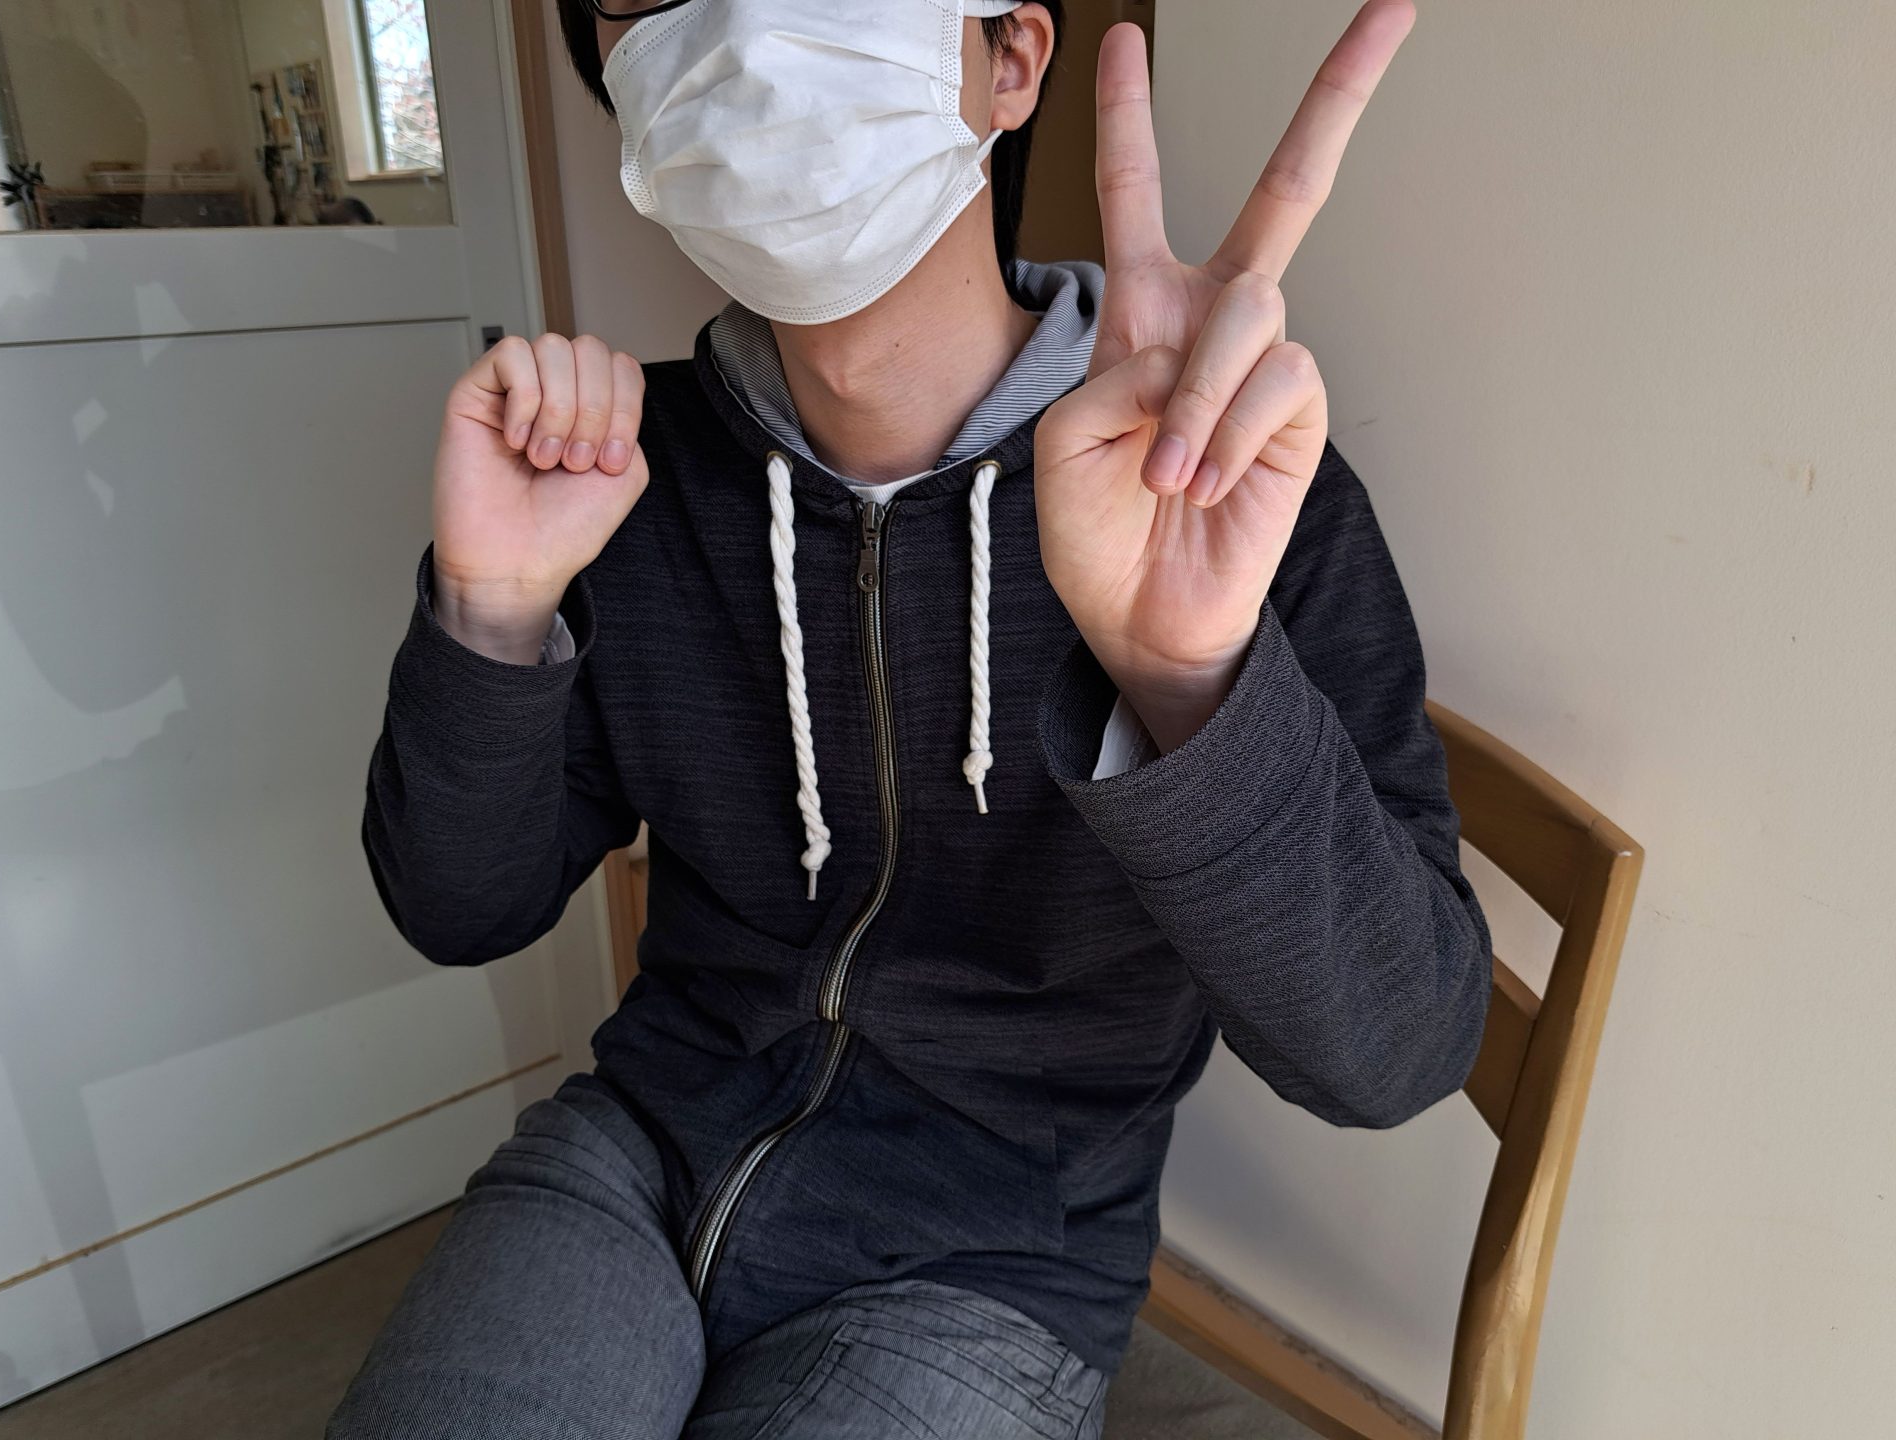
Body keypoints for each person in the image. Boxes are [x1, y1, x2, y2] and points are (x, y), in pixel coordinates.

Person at [328, 1, 1492, 1435]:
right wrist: (493, 608)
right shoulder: (620, 479)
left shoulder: (1229, 493)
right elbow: (460, 908)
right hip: (637, 1153)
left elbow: (1398, 1050)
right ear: (638, 105)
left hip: (997, 1250)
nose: (746, 25)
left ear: (1009, 60)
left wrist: (1185, 677)